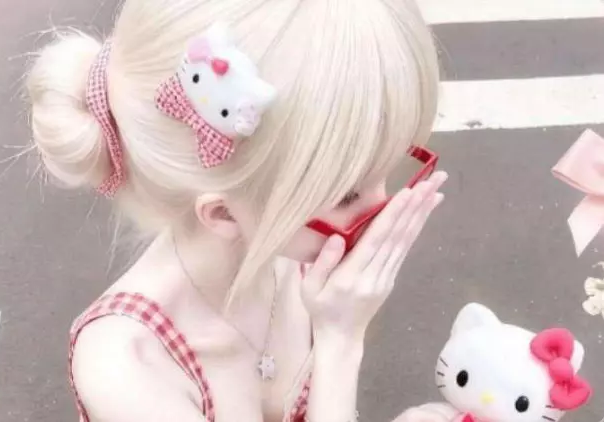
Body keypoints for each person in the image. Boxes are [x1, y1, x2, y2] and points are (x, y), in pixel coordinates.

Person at [24, 0, 452, 420]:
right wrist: (339, 342)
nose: (383, 209)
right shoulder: (126, 367)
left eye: (390, 165)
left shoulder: (298, 261)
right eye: (346, 195)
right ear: (223, 215)